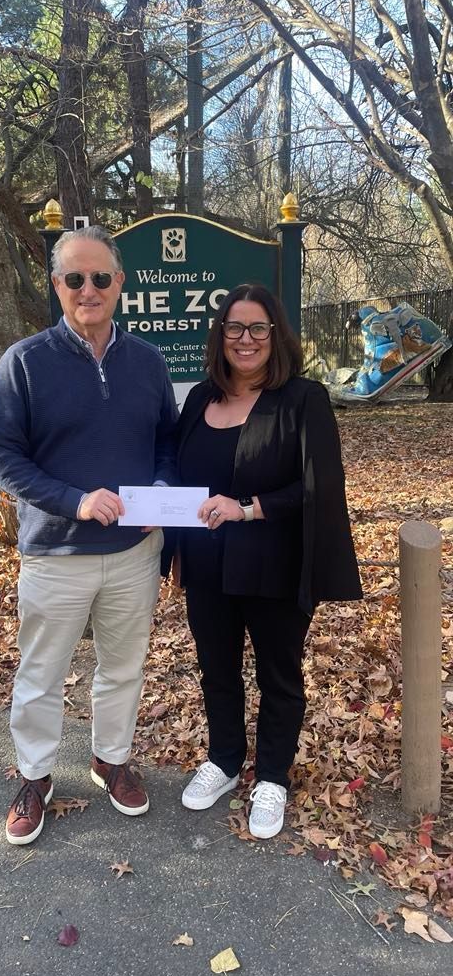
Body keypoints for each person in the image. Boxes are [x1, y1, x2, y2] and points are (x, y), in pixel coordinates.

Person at [0, 225, 178, 845]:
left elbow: (167, 445)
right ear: (57, 286)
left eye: (100, 277)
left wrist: (162, 494)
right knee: (42, 673)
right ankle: (35, 776)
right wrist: (73, 500)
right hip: (55, 552)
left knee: (123, 666)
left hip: (133, 553)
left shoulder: (146, 362)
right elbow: (0, 455)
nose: (87, 289)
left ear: (120, 284)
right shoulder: (26, 362)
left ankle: (110, 759)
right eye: (74, 278)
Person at [169, 284, 362, 839]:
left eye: (258, 328)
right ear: (220, 335)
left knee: (279, 675)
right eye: (234, 328)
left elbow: (319, 486)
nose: (245, 339)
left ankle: (272, 776)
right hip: (208, 564)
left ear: (275, 335)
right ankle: (225, 760)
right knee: (216, 669)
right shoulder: (200, 399)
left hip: (275, 560)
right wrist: (174, 536)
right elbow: (183, 479)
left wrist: (249, 509)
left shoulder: (303, 399)